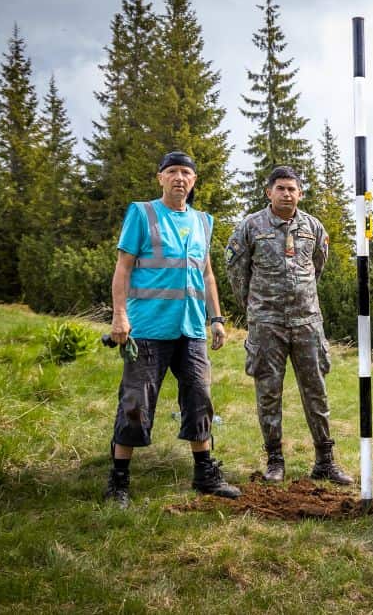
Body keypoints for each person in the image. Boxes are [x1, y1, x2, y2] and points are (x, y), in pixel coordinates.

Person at [103, 151, 241, 508]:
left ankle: (205, 473)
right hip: (148, 326)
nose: (179, 178)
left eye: (186, 173)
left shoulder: (203, 221)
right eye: (172, 172)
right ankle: (118, 481)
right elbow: (123, 268)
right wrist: (120, 316)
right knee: (136, 402)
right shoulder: (142, 213)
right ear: (160, 178)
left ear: (194, 181)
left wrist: (217, 319)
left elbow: (206, 274)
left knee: (200, 398)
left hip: (192, 328)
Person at [226, 166, 353, 486]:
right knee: (269, 393)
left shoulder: (313, 227)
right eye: (280, 188)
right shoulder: (250, 227)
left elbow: (318, 267)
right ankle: (274, 460)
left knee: (317, 393)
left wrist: (300, 298)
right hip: (267, 324)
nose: (286, 194)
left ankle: (325, 461)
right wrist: (255, 308)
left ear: (300, 193)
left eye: (292, 189)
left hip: (307, 323)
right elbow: (237, 273)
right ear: (268, 192)